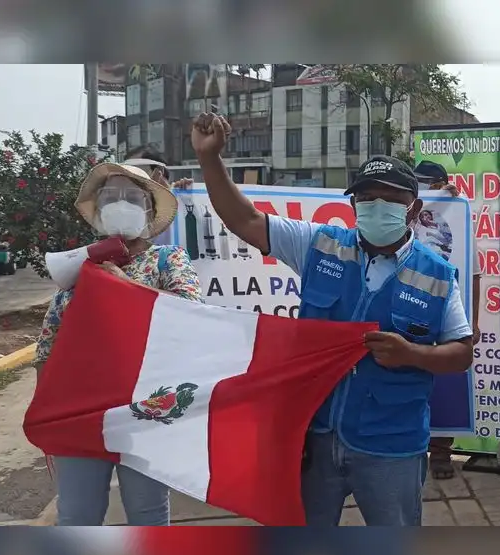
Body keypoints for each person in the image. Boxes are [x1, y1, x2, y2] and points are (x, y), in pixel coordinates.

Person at [189, 112, 474, 526]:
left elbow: (461, 353)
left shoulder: (437, 274)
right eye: (367, 199)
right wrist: (209, 159)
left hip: (391, 443)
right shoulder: (319, 244)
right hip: (313, 436)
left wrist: (412, 353)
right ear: (353, 204)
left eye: (391, 199)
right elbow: (244, 220)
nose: (378, 207)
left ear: (413, 209)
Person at [35, 162, 203, 526]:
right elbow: (48, 346)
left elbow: (190, 313)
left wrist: (123, 285)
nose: (120, 203)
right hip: (79, 412)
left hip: (145, 407)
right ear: (98, 210)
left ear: (149, 208)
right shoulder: (78, 266)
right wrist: (46, 416)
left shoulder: (167, 259)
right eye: (110, 196)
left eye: (132, 196)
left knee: (148, 514)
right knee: (77, 514)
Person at [414, 160, 482, 481]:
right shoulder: (406, 216)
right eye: (417, 183)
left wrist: (475, 320)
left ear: (443, 183)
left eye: (427, 183)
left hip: (447, 311)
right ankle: (414, 447)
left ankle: (441, 451)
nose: (422, 188)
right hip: (410, 307)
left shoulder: (457, 218)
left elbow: (475, 273)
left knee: (446, 379)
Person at [122, 147, 193, 247]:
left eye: (139, 170)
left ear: (159, 171)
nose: (132, 178)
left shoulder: (185, 198)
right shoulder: (134, 207)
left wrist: (192, 195)